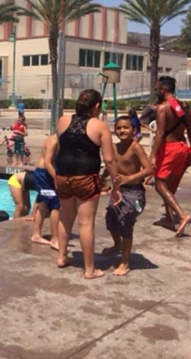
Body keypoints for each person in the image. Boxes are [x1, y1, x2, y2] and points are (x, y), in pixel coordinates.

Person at [53, 89, 121, 280]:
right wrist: (116, 185)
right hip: (86, 177)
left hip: (62, 175)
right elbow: (109, 160)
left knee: (65, 219)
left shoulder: (63, 120)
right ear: (97, 106)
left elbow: (63, 146)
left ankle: (61, 257)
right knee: (86, 223)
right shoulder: (99, 126)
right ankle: (89, 270)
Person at [102, 116, 153, 276]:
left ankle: (125, 262)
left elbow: (149, 169)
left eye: (126, 127)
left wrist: (129, 178)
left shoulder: (135, 147)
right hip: (118, 192)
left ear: (134, 130)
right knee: (110, 219)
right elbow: (111, 164)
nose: (122, 131)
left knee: (125, 222)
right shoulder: (114, 147)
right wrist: (102, 177)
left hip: (134, 192)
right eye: (118, 128)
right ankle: (117, 245)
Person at [150, 76, 191, 236]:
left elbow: (160, 132)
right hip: (182, 147)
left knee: (160, 185)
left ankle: (181, 216)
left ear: (164, 89)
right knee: (169, 188)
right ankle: (169, 218)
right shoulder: (186, 107)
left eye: (157, 89)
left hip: (168, 148)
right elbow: (190, 130)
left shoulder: (163, 108)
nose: (156, 92)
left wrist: (153, 155)